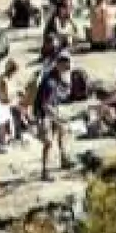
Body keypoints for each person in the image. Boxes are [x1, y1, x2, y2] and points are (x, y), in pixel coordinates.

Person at [33, 50, 76, 179]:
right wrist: (57, 117)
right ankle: (45, 171)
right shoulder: (50, 82)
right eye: (66, 66)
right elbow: (45, 105)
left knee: (62, 132)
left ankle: (64, 159)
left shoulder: (57, 76)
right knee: (48, 142)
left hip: (52, 108)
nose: (68, 68)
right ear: (59, 64)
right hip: (43, 113)